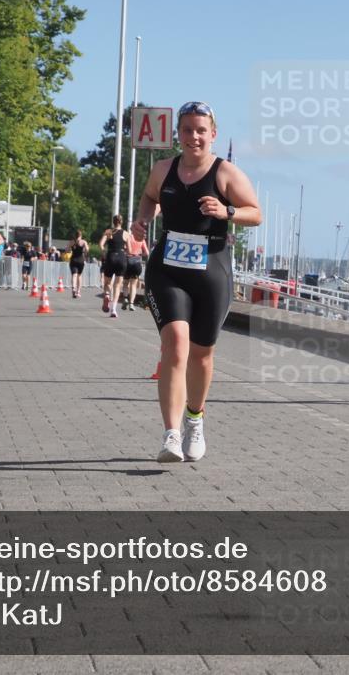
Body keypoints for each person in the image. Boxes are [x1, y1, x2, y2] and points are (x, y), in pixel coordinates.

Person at [132, 101, 262, 463]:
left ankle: (194, 419)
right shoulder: (163, 170)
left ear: (213, 134)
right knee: (175, 345)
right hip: (167, 269)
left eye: (201, 130)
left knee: (202, 356)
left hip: (211, 270)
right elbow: (149, 197)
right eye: (187, 129)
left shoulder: (226, 173)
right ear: (178, 133)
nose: (194, 137)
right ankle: (171, 434)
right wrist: (143, 220)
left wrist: (227, 211)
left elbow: (256, 213)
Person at [99, 216, 129, 316]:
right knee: (117, 285)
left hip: (110, 257)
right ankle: (114, 309)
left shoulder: (108, 232)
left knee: (107, 282)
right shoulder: (126, 234)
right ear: (121, 222)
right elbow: (129, 250)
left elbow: (101, 244)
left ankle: (107, 294)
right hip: (121, 258)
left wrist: (104, 252)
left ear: (113, 222)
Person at [123, 222, 150, 310]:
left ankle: (125, 298)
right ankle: (131, 304)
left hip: (128, 262)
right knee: (133, 284)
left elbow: (126, 249)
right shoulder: (141, 240)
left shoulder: (128, 238)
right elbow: (147, 253)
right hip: (137, 262)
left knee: (126, 283)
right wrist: (139, 254)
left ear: (131, 229)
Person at [68, 230, 89, 298]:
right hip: (81, 260)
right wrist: (85, 253)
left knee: (74, 275)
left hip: (73, 260)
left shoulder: (71, 242)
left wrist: (72, 248)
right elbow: (87, 249)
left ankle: (73, 288)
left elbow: (67, 250)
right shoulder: (83, 242)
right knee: (79, 276)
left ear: (75, 235)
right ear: (81, 235)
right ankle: (78, 291)